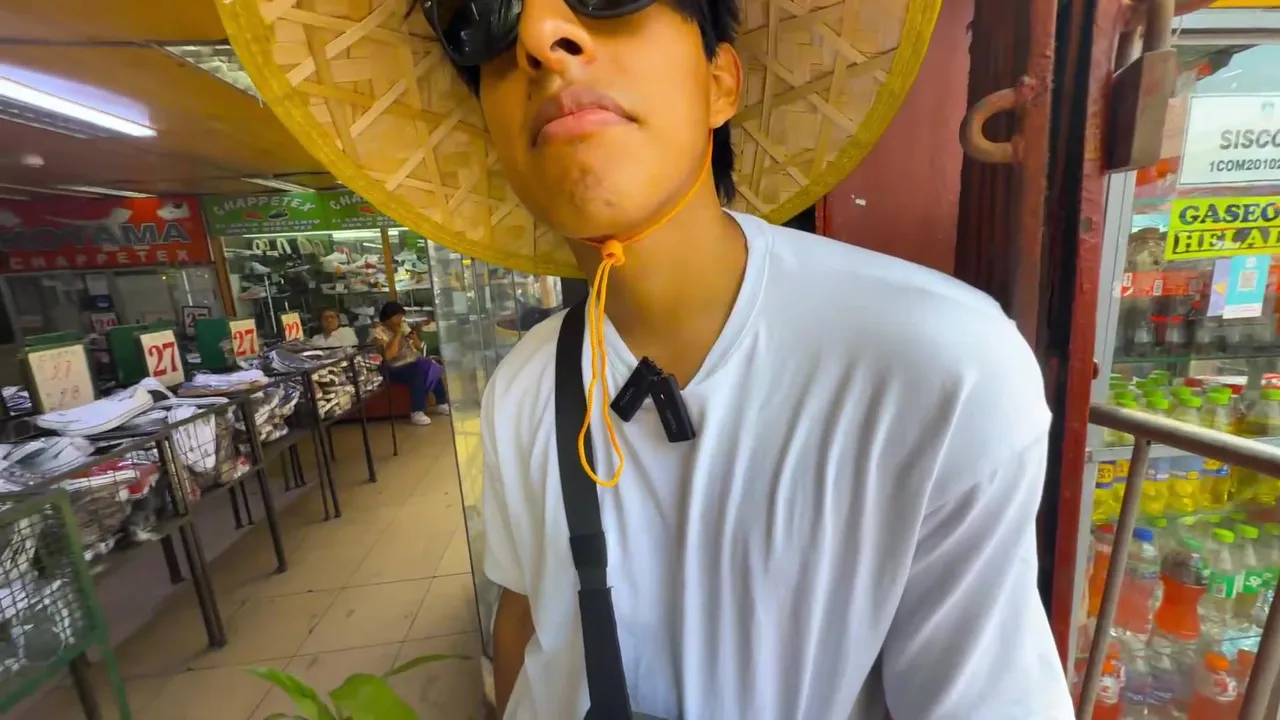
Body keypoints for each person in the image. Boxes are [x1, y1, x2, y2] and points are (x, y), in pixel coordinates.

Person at [371, 301, 449, 426]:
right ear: (388, 317)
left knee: (432, 368)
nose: (400, 319)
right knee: (416, 372)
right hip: (394, 368)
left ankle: (442, 402)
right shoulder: (379, 333)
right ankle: (417, 411)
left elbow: (419, 347)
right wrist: (397, 334)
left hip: (413, 361)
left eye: (401, 316)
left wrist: (414, 336)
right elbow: (387, 356)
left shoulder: (404, 327)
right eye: (397, 316)